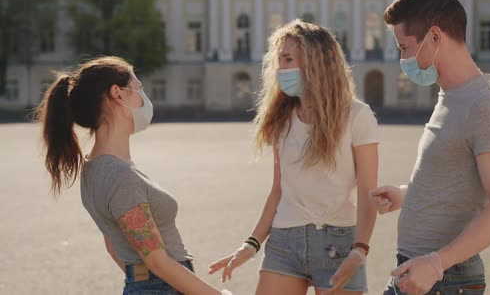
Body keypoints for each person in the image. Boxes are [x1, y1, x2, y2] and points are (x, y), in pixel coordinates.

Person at [370, 0, 490, 295]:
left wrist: (438, 262)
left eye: (405, 47)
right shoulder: (450, 97)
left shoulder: (486, 107)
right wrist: (406, 194)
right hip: (419, 273)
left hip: (443, 279)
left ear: (435, 36)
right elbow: (455, 178)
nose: (403, 59)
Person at [208, 20, 379, 295]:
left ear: (316, 62)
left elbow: (369, 190)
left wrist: (360, 250)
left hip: (338, 244)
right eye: (279, 61)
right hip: (284, 241)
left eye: (288, 60)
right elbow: (278, 190)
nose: (281, 69)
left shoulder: (358, 116)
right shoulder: (282, 118)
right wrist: (251, 245)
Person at [36, 56, 231, 295]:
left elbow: (114, 247)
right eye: (138, 88)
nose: (143, 98)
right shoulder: (120, 176)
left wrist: (139, 280)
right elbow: (157, 261)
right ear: (117, 93)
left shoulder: (94, 169)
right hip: (164, 286)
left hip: (151, 285)